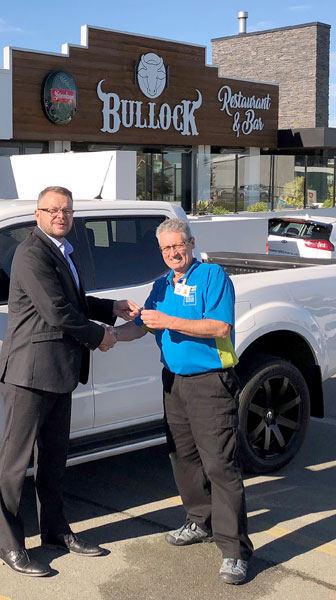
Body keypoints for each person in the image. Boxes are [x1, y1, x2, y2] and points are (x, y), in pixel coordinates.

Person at [0, 185, 140, 576]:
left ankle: (55, 532)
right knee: (14, 464)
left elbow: (72, 302)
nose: (61, 216)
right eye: (53, 210)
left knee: (53, 461)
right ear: (37, 215)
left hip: (58, 372)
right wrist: (99, 335)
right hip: (28, 374)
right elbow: (57, 312)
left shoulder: (61, 251)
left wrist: (112, 308)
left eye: (67, 211)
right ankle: (7, 545)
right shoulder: (31, 253)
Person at [113, 218, 253, 585]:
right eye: (166, 249)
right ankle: (199, 521)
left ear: (191, 243)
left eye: (179, 245)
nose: (174, 253)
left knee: (220, 464)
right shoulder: (160, 286)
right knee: (184, 457)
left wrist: (169, 320)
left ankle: (235, 551)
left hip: (210, 382)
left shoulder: (212, 276)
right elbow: (142, 325)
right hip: (173, 382)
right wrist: (106, 334)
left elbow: (220, 327)